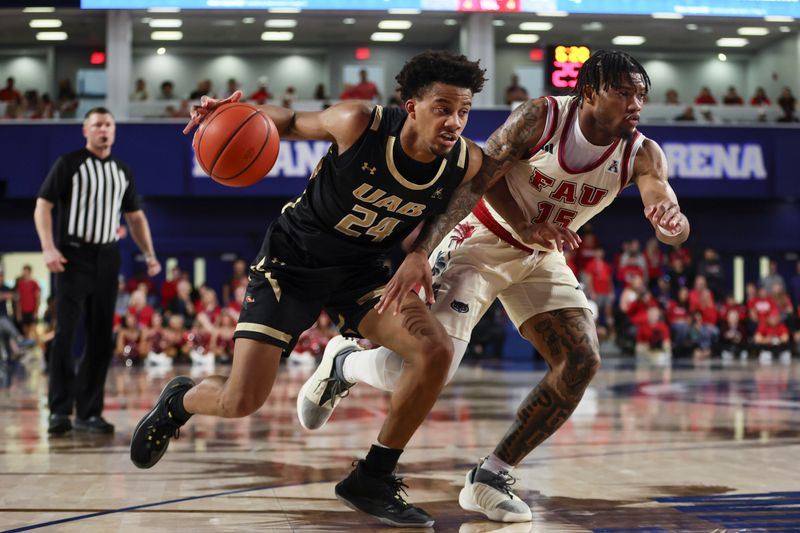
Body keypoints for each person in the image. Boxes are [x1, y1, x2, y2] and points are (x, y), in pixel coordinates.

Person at [298, 49, 690, 523]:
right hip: (480, 240)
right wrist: (425, 249)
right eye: (623, 92)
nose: (635, 104)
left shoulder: (642, 152)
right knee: (418, 371)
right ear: (588, 92)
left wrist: (671, 222)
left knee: (581, 360)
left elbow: (662, 200)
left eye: (641, 95)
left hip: (540, 255)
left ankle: (492, 475)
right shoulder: (542, 116)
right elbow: (478, 175)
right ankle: (346, 362)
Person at [130, 50, 492, 528]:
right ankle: (179, 400)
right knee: (242, 401)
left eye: (463, 111)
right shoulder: (358, 122)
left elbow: (475, 193)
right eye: (444, 108)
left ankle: (373, 477)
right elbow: (292, 121)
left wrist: (421, 250)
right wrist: (236, 115)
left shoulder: (465, 161)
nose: (455, 121)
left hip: (360, 272)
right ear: (413, 106)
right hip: (292, 263)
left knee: (436, 351)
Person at [34, 107, 161, 435]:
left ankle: (89, 412)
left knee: (101, 338)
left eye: (108, 125)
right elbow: (43, 206)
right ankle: (59, 410)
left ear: (114, 131)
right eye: (97, 125)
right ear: (85, 131)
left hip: (107, 258)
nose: (103, 130)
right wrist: (48, 247)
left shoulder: (122, 170)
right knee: (65, 335)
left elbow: (135, 218)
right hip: (73, 257)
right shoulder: (69, 163)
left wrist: (149, 254)